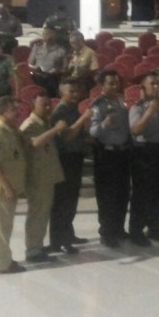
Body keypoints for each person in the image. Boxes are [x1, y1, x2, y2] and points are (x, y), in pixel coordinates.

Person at [20, 95, 67, 263]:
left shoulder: (43, 123)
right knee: (37, 213)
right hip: (37, 177)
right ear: (33, 105)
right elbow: (35, 143)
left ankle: (37, 246)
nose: (48, 108)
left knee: (42, 213)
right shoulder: (31, 124)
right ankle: (32, 250)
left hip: (46, 176)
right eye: (43, 105)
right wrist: (55, 129)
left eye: (49, 104)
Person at [48, 78, 92, 254]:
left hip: (75, 157)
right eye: (71, 91)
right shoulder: (60, 112)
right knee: (62, 201)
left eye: (77, 91)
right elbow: (66, 136)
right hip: (64, 159)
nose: (75, 95)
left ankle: (68, 234)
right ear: (61, 92)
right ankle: (59, 241)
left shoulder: (72, 109)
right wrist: (83, 119)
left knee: (71, 200)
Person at [88, 69, 132, 247]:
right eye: (110, 83)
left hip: (122, 152)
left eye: (116, 83)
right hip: (106, 154)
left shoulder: (121, 101)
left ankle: (119, 228)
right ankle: (106, 232)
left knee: (122, 193)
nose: (115, 86)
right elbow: (92, 131)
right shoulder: (97, 105)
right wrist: (104, 124)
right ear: (102, 86)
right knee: (107, 196)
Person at [128, 71, 159, 244]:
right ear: (143, 87)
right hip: (144, 153)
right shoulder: (137, 107)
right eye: (152, 84)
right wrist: (149, 112)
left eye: (158, 84)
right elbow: (136, 130)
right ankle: (136, 231)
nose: (156, 87)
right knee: (141, 194)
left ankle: (155, 228)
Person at [0, 97, 27, 274]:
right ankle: (3, 264)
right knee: (2, 227)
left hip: (7, 185)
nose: (18, 113)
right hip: (1, 188)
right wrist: (8, 188)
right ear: (3, 112)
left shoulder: (10, 130)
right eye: (13, 110)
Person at [28, 26, 68, 97]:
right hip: (37, 75)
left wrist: (56, 70)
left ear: (55, 35)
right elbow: (29, 63)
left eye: (50, 34)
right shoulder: (37, 47)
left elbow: (65, 68)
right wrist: (34, 68)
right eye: (45, 34)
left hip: (52, 77)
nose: (47, 36)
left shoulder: (61, 50)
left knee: (50, 81)